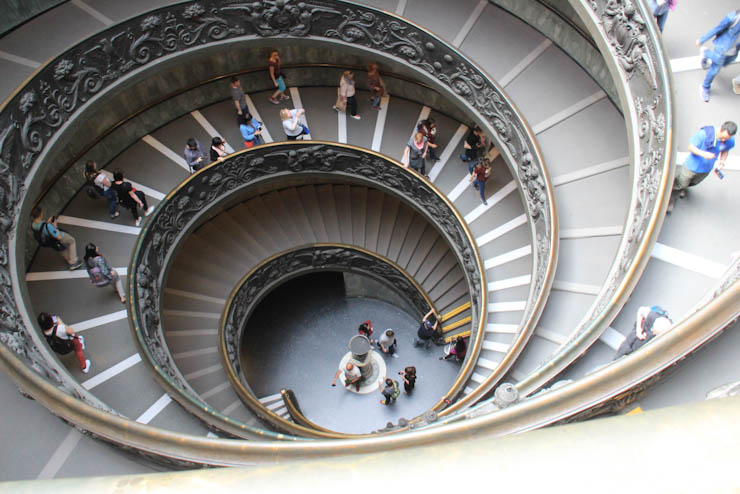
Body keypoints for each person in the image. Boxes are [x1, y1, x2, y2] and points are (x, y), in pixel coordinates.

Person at [668, 121, 736, 213]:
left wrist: (722, 161)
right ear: (721, 129)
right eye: (723, 137)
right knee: (681, 182)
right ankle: (671, 198)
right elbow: (691, 147)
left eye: (726, 139)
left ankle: (682, 188)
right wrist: (704, 154)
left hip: (705, 169)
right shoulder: (704, 134)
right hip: (691, 166)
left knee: (693, 182)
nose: (724, 140)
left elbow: (725, 150)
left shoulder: (729, 141)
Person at [697, 10, 740, 102]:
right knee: (715, 69)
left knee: (726, 62)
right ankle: (705, 87)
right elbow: (717, 28)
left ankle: (706, 53)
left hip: (733, 50)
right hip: (722, 48)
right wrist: (702, 39)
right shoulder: (734, 17)